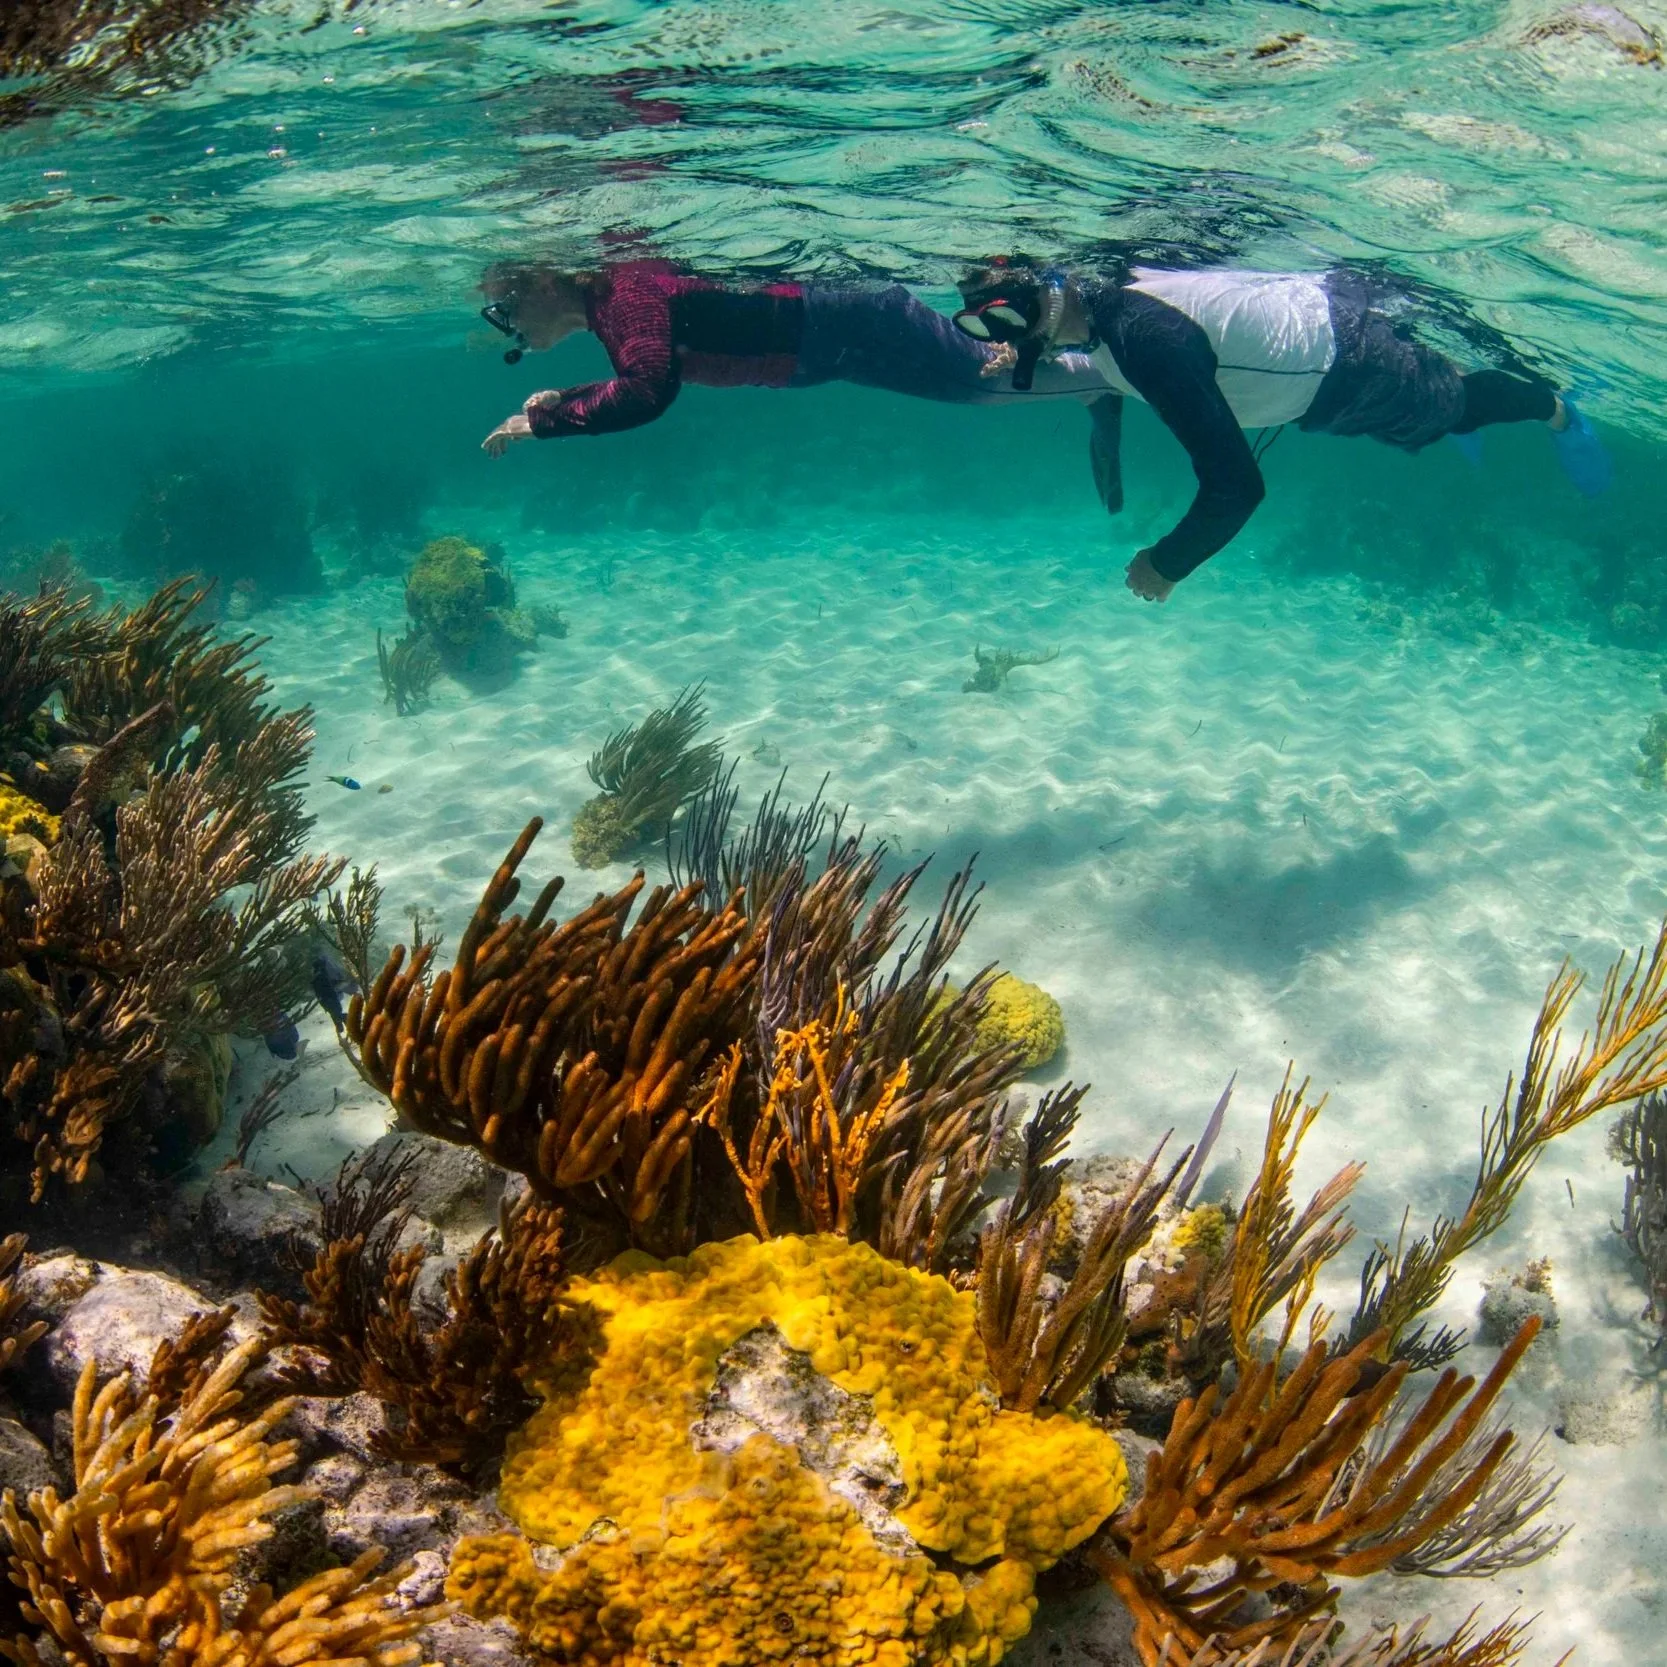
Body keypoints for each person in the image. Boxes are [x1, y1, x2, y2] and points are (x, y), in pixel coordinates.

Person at [954, 258, 1610, 602]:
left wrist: (1166, 563)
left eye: (1005, 318)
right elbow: (1105, 364)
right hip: (1319, 350)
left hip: (1347, 369)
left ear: (1047, 290)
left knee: (1456, 409)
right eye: (981, 326)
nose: (1001, 336)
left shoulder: (1141, 338)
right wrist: (1035, 354)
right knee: (1429, 412)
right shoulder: (1105, 315)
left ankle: (1556, 409)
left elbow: (1235, 487)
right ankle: (1446, 385)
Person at [476, 260, 1109, 455]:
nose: (508, 328)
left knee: (984, 385)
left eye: (504, 309)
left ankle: (1107, 375)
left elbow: (649, 391)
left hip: (844, 327)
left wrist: (542, 423)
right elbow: (654, 365)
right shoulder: (614, 302)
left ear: (541, 285)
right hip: (834, 334)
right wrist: (574, 397)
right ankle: (1093, 378)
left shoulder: (620, 298)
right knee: (984, 377)